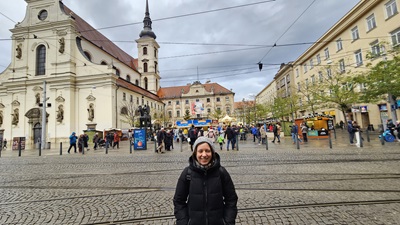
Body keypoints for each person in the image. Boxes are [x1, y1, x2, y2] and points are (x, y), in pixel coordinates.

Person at [173, 137, 238, 225]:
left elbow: (231, 199)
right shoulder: (187, 173)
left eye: (207, 151)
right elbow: (178, 201)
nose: (204, 155)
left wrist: (227, 222)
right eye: (200, 151)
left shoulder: (221, 172)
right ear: (195, 153)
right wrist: (184, 222)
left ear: (212, 153)